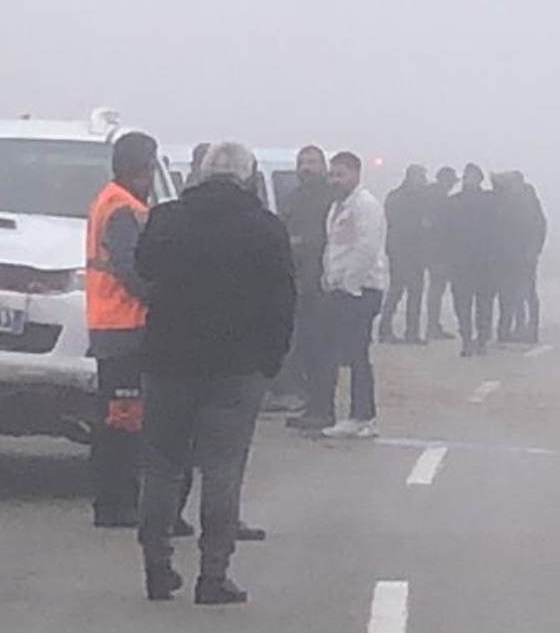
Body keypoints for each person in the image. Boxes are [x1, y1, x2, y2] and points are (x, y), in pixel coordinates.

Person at [135, 142, 296, 604]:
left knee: (161, 467)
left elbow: (144, 268)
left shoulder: (167, 219)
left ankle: (157, 566)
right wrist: (272, 361)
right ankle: (213, 574)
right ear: (248, 177)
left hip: (167, 361)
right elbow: (283, 301)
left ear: (201, 175)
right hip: (236, 367)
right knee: (223, 470)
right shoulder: (265, 229)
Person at [84, 131, 160, 528]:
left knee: (118, 417)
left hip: (111, 323)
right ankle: (114, 503)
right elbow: (131, 268)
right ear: (143, 167)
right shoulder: (122, 208)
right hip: (123, 324)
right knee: (122, 419)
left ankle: (116, 499)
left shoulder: (112, 199)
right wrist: (159, 298)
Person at [298, 150, 387, 438]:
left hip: (362, 289)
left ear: (356, 174)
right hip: (336, 286)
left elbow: (366, 248)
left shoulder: (366, 206)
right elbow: (334, 246)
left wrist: (350, 285)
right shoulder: (337, 206)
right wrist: (329, 277)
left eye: (341, 174)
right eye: (333, 175)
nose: (335, 180)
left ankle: (363, 416)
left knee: (357, 353)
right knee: (330, 348)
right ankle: (335, 411)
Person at [268, 144, 331, 413]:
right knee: (293, 338)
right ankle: (293, 390)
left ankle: (316, 397)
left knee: (318, 341)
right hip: (294, 279)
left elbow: (330, 236)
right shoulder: (293, 197)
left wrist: (302, 242)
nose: (307, 167)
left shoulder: (330, 198)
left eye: (313, 162)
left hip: (321, 279)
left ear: (323, 167)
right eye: (303, 162)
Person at [443, 164, 507, 355]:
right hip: (460, 261)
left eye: (474, 177)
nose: (470, 181)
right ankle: (466, 338)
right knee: (462, 304)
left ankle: (481, 339)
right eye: (467, 177)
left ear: (480, 180)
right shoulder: (453, 202)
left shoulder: (489, 200)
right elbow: (443, 231)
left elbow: (503, 203)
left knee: (484, 303)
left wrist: (497, 182)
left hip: (485, 261)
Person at [381, 164, 434, 343]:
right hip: (401, 251)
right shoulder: (397, 198)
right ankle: (385, 329)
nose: (424, 181)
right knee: (396, 290)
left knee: (416, 293)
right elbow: (396, 223)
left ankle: (412, 331)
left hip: (417, 252)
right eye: (421, 177)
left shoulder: (420, 198)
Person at [497, 169, 548, 345]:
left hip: (522, 254)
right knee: (512, 293)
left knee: (525, 293)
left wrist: (533, 250)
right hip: (510, 254)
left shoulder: (526, 201)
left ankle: (528, 329)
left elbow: (538, 227)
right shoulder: (513, 199)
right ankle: (515, 328)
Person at [421, 166, 460, 341]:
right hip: (438, 251)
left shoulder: (431, 196)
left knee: (436, 289)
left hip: (433, 250)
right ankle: (432, 326)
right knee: (436, 289)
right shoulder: (438, 199)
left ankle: (433, 325)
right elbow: (436, 226)